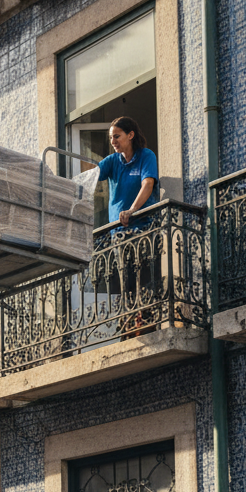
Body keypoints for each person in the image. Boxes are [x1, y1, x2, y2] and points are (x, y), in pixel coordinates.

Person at [96, 117, 160, 336]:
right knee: (125, 280)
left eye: (117, 136)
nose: (113, 141)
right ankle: (130, 324)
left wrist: (132, 210)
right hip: (119, 233)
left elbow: (148, 184)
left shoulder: (146, 156)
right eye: (110, 137)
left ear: (130, 135)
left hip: (143, 227)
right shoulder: (112, 161)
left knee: (144, 277)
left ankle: (147, 321)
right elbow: (92, 175)